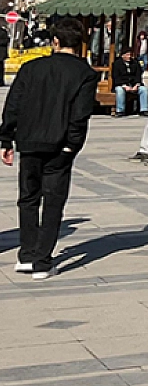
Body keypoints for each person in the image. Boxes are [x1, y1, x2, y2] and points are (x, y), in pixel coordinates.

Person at [0, 19, 98, 280]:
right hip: (60, 144)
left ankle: (27, 254)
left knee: (28, 198)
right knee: (53, 201)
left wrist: (6, 139)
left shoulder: (31, 68)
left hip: (29, 142)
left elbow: (13, 105)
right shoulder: (85, 73)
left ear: (55, 41)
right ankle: (42, 261)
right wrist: (71, 145)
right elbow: (80, 115)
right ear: (80, 42)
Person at [112, 49, 148, 117]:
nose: (129, 56)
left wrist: (137, 85)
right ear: (122, 56)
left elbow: (138, 75)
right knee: (120, 90)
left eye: (130, 55)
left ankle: (144, 110)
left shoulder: (135, 63)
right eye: (127, 55)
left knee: (143, 89)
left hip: (133, 84)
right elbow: (116, 77)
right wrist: (124, 86)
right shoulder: (117, 64)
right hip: (121, 84)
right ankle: (120, 111)